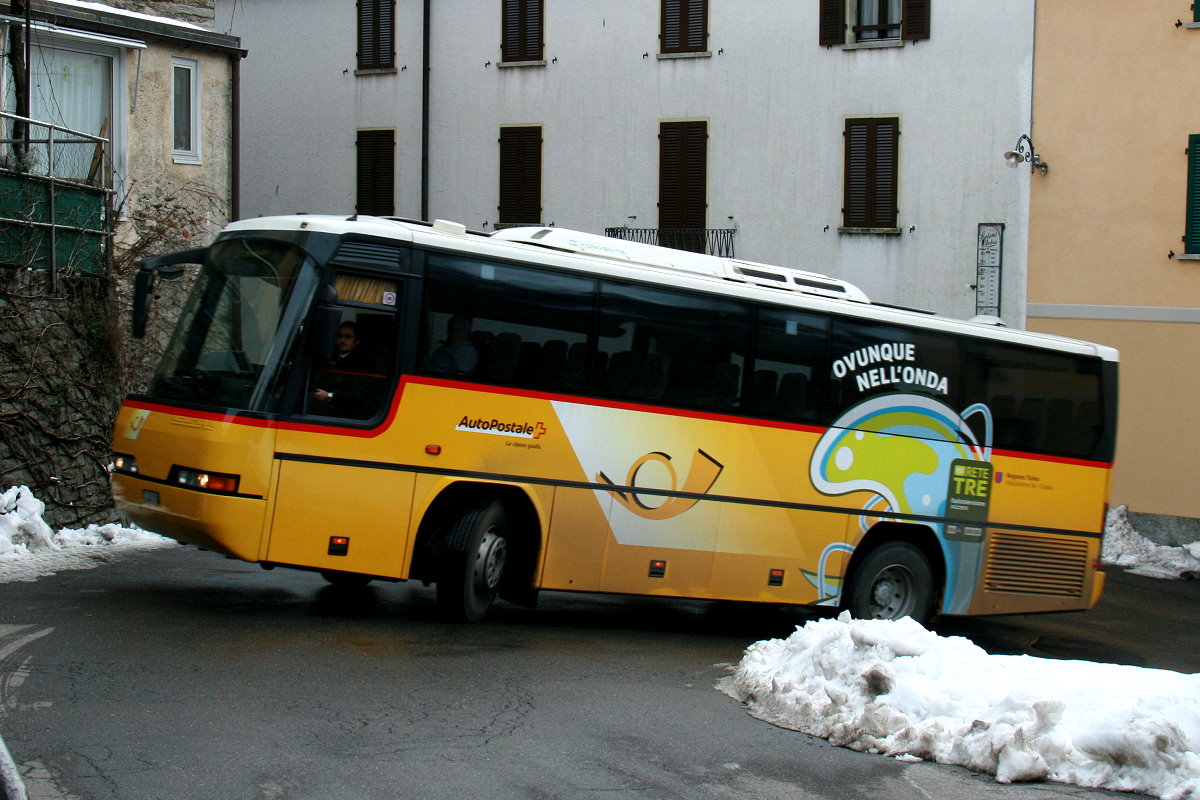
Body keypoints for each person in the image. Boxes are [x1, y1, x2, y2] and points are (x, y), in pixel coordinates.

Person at [311, 321, 379, 417]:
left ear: (357, 341)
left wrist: (330, 395)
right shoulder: (327, 355)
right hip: (318, 408)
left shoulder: (365, 362)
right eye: (339, 336)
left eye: (348, 337)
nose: (342, 340)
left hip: (346, 415)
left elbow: (359, 395)